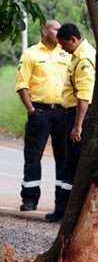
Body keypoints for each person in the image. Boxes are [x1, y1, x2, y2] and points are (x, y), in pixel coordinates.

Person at [15, 20, 71, 214]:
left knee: (63, 158)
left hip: (63, 113)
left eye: (60, 29)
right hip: (40, 112)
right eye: (55, 28)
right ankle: (30, 199)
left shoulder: (67, 53)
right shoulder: (31, 54)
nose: (58, 31)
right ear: (44, 31)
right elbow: (22, 85)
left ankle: (61, 203)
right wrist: (31, 110)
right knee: (33, 156)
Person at [44, 23, 96, 222]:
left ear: (73, 39)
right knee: (67, 163)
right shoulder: (80, 54)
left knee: (70, 164)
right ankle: (63, 209)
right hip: (71, 112)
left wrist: (78, 125)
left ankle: (63, 211)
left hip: (76, 114)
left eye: (64, 44)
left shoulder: (83, 59)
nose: (62, 48)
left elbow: (84, 96)